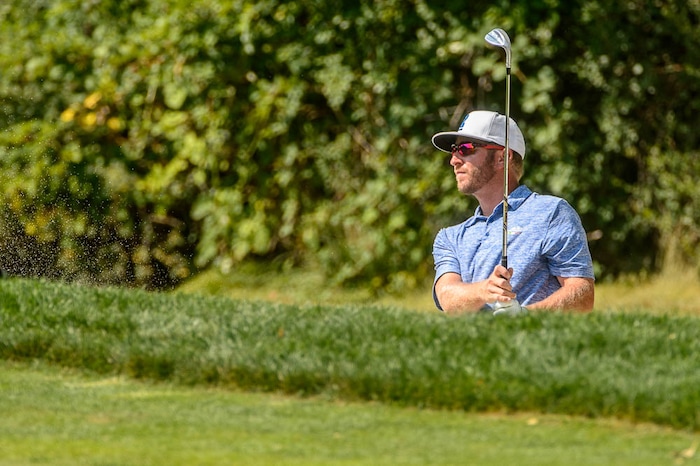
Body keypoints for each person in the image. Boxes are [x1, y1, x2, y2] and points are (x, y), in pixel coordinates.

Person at [430, 110, 595, 314]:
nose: (454, 160)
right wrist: (485, 290)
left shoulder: (552, 213)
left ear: (502, 157)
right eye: (454, 150)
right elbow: (447, 296)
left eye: (465, 148)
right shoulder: (450, 237)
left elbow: (583, 295)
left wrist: (526, 316)